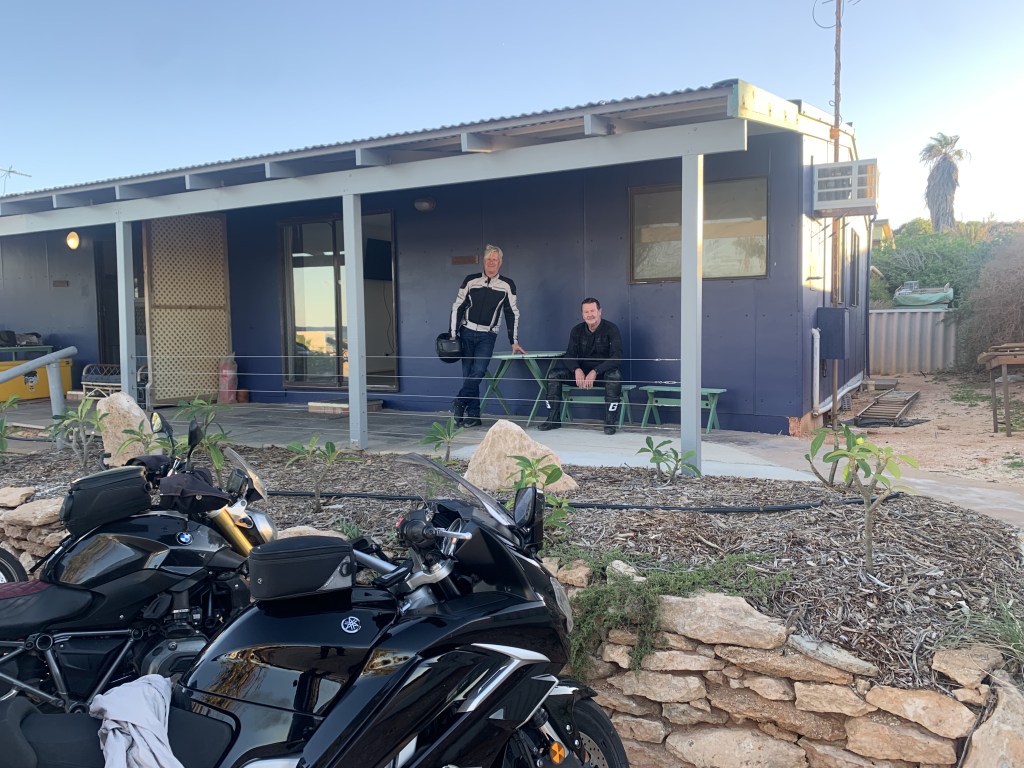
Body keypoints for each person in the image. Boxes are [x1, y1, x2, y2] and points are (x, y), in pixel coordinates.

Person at [449, 244, 525, 427]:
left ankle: (460, 401)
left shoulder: (507, 285)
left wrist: (514, 341)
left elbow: (512, 313)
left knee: (479, 371)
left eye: (495, 259)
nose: (491, 262)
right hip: (466, 332)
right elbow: (457, 306)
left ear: (500, 263)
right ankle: (474, 416)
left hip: (487, 335)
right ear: (483, 261)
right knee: (469, 374)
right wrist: (452, 334)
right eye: (488, 259)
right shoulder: (470, 280)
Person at [538, 297, 623, 435]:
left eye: (592, 311)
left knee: (615, 375)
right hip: (581, 376)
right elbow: (569, 355)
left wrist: (596, 371)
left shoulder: (611, 329)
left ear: (600, 311)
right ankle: (553, 420)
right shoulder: (577, 330)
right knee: (554, 374)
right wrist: (576, 369)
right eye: (586, 312)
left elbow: (616, 358)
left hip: (603, 375)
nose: (590, 315)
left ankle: (610, 423)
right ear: (582, 315)